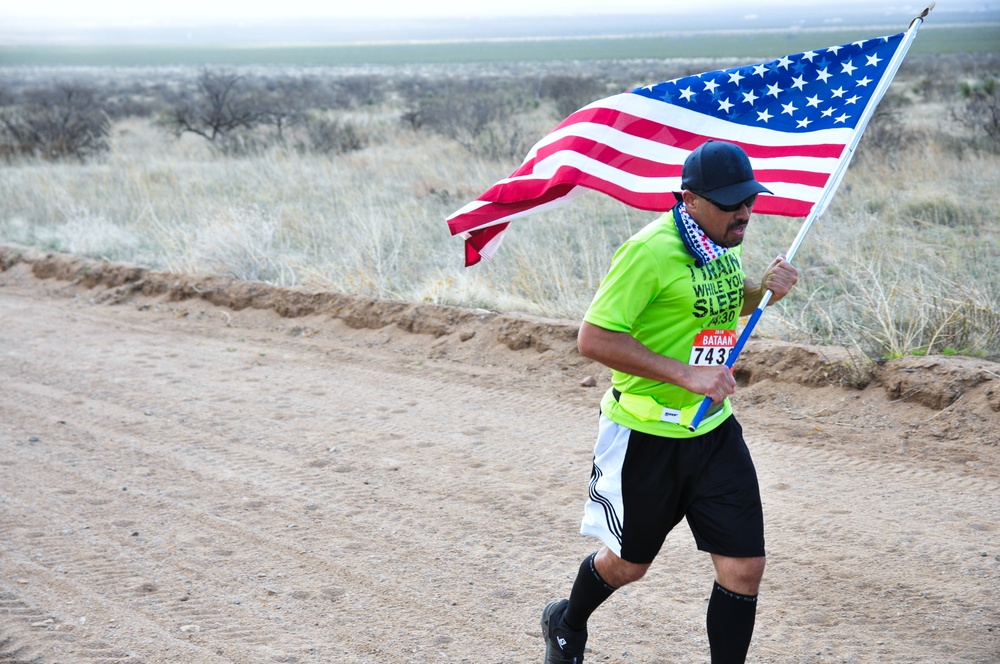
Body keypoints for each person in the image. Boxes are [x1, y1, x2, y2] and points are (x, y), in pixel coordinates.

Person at [540, 140, 799, 664]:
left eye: (749, 199)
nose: (744, 212)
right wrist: (688, 375)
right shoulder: (650, 251)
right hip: (646, 435)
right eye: (730, 202)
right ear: (690, 200)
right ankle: (566, 623)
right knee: (628, 565)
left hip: (714, 433)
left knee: (744, 568)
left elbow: (712, 301)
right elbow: (594, 338)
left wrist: (762, 291)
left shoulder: (720, 242)